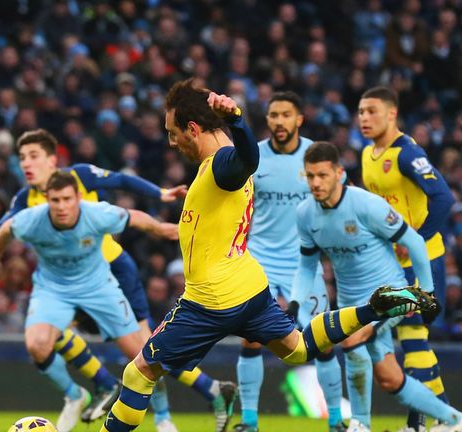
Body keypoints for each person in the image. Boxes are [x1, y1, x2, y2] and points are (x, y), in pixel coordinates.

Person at [99, 79, 437, 432]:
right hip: (250, 287)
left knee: (138, 372)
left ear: (193, 129)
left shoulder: (221, 165)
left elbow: (247, 159)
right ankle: (375, 308)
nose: (171, 141)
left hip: (210, 300)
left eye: (173, 132)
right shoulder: (217, 161)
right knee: (299, 348)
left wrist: (239, 120)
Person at [0, 128, 233, 432]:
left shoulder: (82, 180)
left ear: (51, 160)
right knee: (42, 339)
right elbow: (0, 231)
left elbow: (124, 185)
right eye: (21, 158)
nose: (26, 164)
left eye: (33, 156)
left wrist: (160, 196)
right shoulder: (26, 203)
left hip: (109, 272)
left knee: (145, 350)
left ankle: (177, 408)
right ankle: (86, 392)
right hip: (57, 286)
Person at [0, 172, 178, 432]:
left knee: (143, 356)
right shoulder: (32, 220)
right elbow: (6, 230)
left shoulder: (95, 213)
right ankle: (75, 395)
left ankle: (162, 417)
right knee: (37, 344)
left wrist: (161, 228)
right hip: (53, 291)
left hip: (98, 287)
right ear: (46, 200)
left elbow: (134, 217)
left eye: (66, 199)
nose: (61, 206)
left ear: (78, 198)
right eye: (55, 200)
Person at [295, 141, 462, 432]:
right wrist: (295, 305)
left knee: (351, 341)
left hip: (391, 294)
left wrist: (425, 292)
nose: (316, 182)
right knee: (389, 377)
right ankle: (453, 420)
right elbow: (307, 266)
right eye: (310, 176)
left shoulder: (365, 204)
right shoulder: (305, 214)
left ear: (338, 173)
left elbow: (413, 241)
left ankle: (360, 424)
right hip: (353, 303)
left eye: (322, 175)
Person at [234, 91, 343, 432]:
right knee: (250, 338)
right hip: (260, 258)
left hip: (303, 260)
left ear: (299, 119)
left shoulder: (315, 158)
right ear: (267, 121)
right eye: (273, 115)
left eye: (286, 115)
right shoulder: (254, 157)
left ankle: (337, 421)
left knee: (323, 340)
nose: (279, 122)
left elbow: (341, 199)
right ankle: (249, 421)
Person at [359, 86, 455, 432]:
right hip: (391, 263)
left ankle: (434, 422)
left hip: (422, 262)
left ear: (391, 114)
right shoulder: (368, 155)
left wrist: (416, 240)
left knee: (413, 336)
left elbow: (443, 198)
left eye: (372, 111)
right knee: (412, 340)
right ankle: (436, 421)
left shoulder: (406, 153)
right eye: (360, 112)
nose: (364, 118)